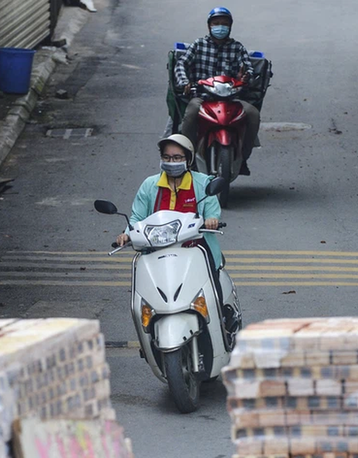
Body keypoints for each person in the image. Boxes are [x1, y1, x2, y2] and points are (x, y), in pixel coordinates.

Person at [116, 134, 224, 304]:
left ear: (188, 160)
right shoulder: (150, 185)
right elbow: (137, 217)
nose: (171, 162)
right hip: (157, 251)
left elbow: (212, 211)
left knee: (214, 295)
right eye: (166, 157)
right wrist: (127, 233)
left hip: (195, 250)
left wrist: (211, 219)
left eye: (177, 158)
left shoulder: (203, 184)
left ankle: (221, 320)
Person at [173, 6, 260, 176]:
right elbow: (181, 64)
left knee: (253, 114)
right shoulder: (199, 45)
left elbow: (249, 69)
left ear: (230, 26)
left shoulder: (237, 48)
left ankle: (242, 158)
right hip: (202, 98)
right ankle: (188, 156)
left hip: (231, 100)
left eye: (224, 24)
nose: (220, 27)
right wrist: (185, 82)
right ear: (209, 26)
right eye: (216, 23)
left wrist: (246, 77)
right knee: (190, 114)